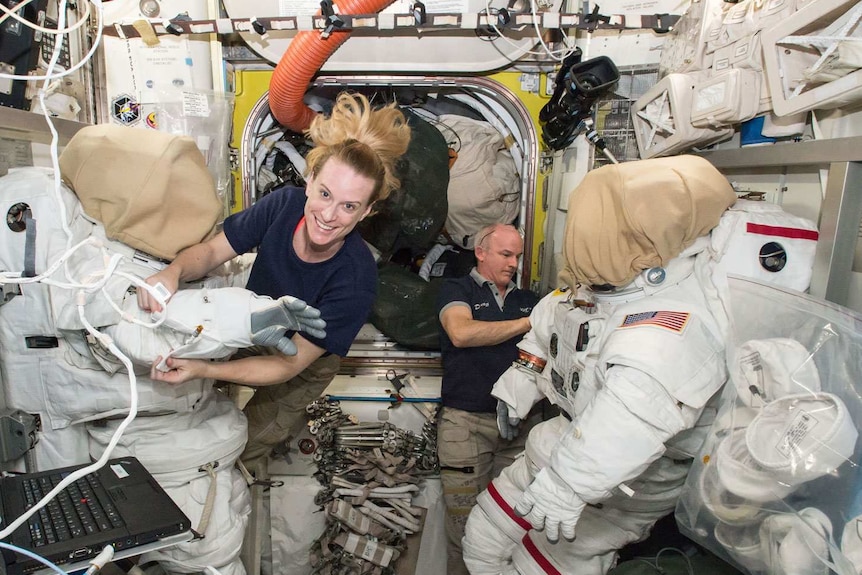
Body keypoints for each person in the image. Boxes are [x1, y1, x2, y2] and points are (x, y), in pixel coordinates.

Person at [460, 155, 738, 575]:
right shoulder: (595, 292)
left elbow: (631, 416)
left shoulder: (670, 325)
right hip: (560, 445)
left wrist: (566, 486)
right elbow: (546, 329)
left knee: (531, 567)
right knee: (481, 542)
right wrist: (520, 384)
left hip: (620, 483)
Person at [138, 91, 412, 467]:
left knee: (239, 449)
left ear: (366, 212)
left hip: (301, 362)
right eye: (325, 194)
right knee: (191, 411)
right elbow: (213, 253)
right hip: (249, 329)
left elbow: (287, 366)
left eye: (348, 206)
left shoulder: (356, 280)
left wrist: (207, 369)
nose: (329, 215)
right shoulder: (283, 205)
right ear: (310, 179)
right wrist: (173, 272)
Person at [436, 222, 541, 575]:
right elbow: (461, 333)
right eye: (505, 254)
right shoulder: (456, 289)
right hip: (466, 426)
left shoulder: (530, 301)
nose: (513, 263)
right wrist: (528, 324)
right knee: (465, 533)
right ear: (481, 252)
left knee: (512, 532)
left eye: (518, 256)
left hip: (519, 432)